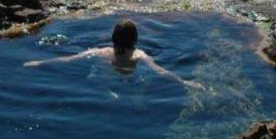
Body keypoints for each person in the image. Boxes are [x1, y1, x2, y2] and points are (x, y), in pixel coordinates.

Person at [24, 19, 203, 90]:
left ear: (112, 38)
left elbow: (68, 59)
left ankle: (106, 91)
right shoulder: (140, 55)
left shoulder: (101, 51)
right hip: (128, 77)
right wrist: (184, 82)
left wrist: (40, 62)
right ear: (135, 39)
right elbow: (161, 71)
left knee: (97, 77)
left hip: (101, 75)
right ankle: (136, 102)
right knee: (139, 85)